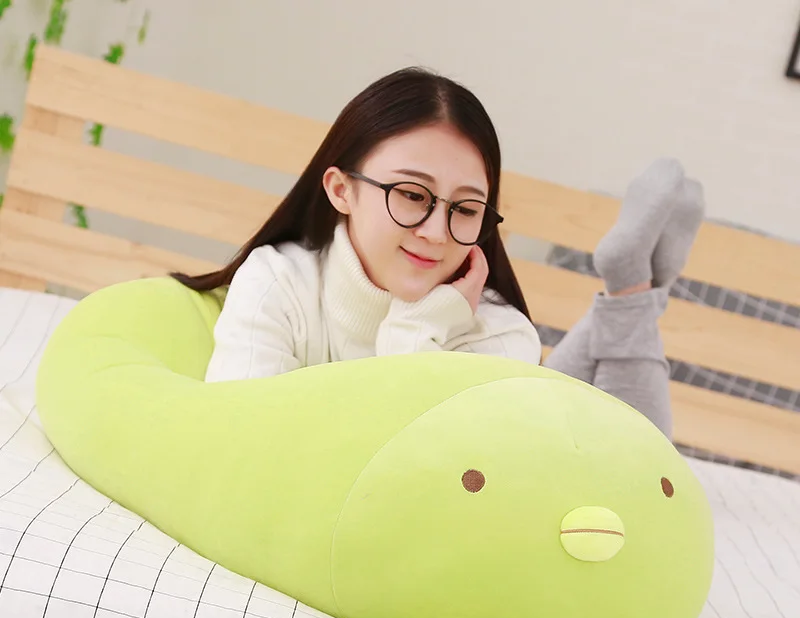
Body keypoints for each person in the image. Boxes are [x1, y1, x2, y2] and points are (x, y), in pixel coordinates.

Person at [172, 67, 704, 439]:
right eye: (411, 195)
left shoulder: (500, 334)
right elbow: (236, 441)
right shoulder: (277, 282)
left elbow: (417, 480)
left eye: (466, 208)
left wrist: (417, 329)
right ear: (340, 190)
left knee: (619, 445)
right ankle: (633, 291)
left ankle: (631, 290)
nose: (435, 232)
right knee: (559, 395)